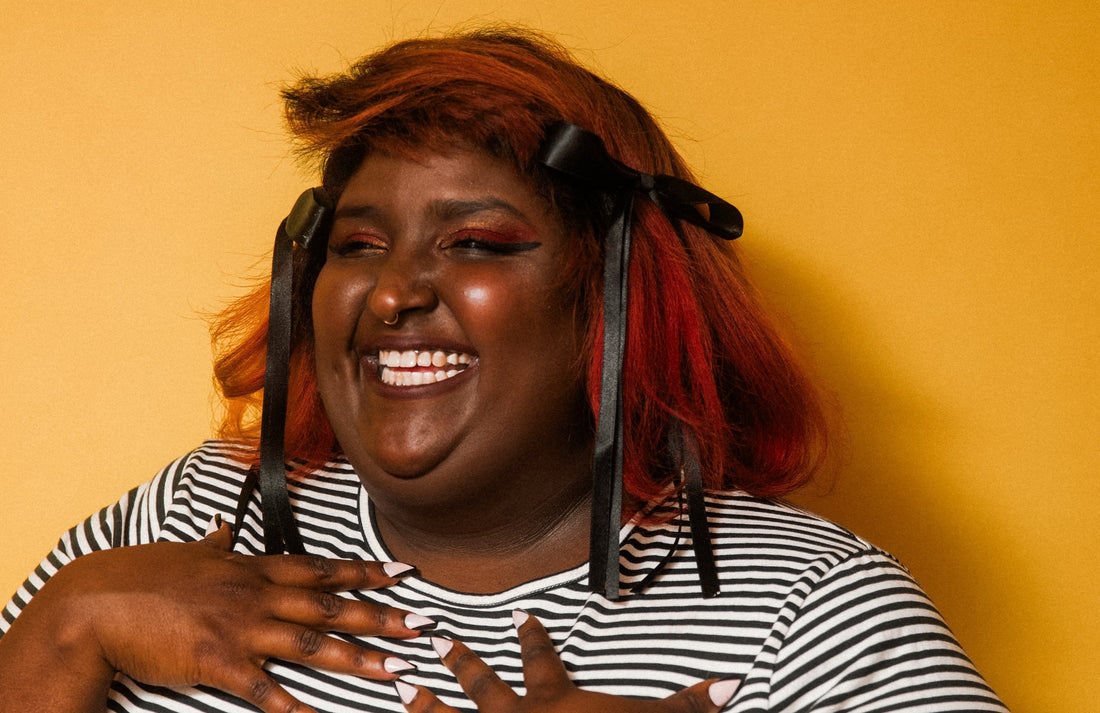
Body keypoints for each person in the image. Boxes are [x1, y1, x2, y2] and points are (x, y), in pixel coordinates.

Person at [0, 28, 1007, 713]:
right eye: (354, 245)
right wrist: (66, 626)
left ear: (616, 298)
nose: (392, 292)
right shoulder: (187, 513)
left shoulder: (809, 606)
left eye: (476, 243)